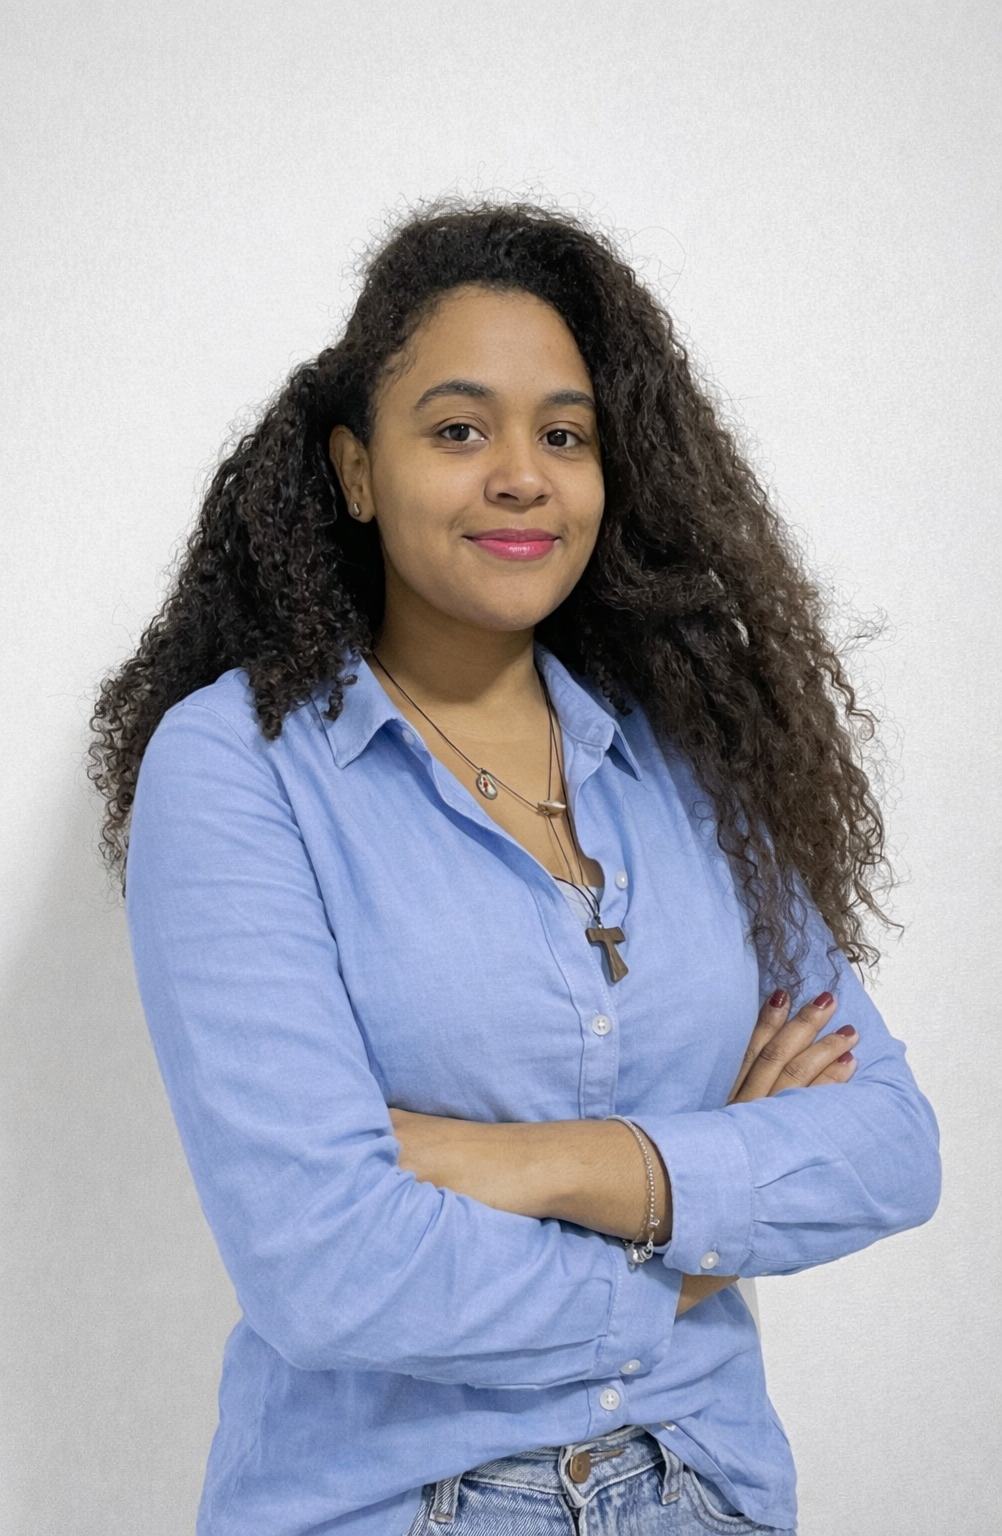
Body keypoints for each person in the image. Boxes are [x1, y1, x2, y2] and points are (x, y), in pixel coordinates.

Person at [90, 202, 940, 1536]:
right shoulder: (237, 767)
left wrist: (529, 1163)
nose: (521, 477)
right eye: (457, 430)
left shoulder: (691, 754)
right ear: (356, 471)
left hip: (707, 1492)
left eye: (565, 435)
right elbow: (327, 1269)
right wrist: (703, 1216)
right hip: (398, 1506)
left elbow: (886, 1146)